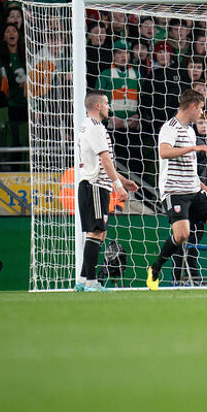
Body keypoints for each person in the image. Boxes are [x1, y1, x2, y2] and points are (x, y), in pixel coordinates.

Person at [146, 89, 207, 290]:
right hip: (175, 192)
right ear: (192, 106)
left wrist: (205, 188)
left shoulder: (191, 131)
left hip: (194, 189)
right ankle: (155, 268)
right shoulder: (170, 128)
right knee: (182, 235)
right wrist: (193, 148)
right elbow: (164, 152)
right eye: (200, 108)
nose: (201, 113)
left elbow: (190, 169)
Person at [75, 91, 138, 292]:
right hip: (94, 185)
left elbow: (104, 163)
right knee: (96, 232)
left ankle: (84, 280)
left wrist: (124, 180)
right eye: (106, 103)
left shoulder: (90, 127)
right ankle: (92, 282)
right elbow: (105, 160)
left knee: (99, 234)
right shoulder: (94, 128)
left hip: (96, 184)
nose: (109, 107)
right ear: (97, 106)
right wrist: (119, 187)